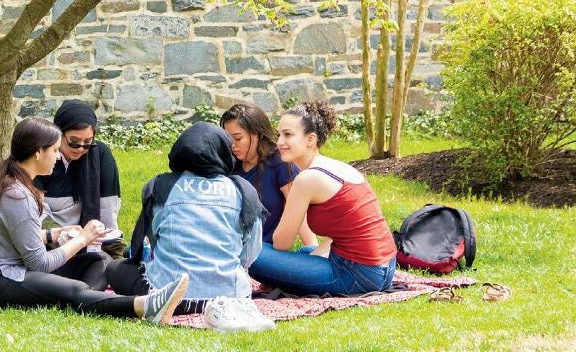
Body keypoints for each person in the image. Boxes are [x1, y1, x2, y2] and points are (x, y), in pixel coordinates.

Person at [0, 117, 189, 324]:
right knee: (73, 288)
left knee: (97, 260)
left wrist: (55, 234)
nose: (58, 156)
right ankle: (144, 305)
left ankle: (85, 300)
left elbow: (11, 234)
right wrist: (82, 238)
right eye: (54, 150)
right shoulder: (16, 194)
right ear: (37, 153)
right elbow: (39, 263)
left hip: (16, 270)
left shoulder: (11, 182)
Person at [106, 122, 266, 318]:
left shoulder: (160, 186)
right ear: (224, 152)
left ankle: (158, 303)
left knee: (114, 268)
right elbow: (252, 249)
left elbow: (154, 241)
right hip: (232, 300)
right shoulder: (242, 190)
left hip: (173, 297)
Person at [248, 101, 397, 296]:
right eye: (279, 134)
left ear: (311, 139)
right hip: (384, 268)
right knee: (304, 253)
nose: (280, 142)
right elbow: (345, 232)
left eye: (288, 135)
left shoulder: (307, 179)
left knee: (247, 250)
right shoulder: (339, 167)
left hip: (357, 275)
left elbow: (281, 243)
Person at [33, 100, 125, 258]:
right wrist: (70, 240)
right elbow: (37, 213)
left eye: (88, 142)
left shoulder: (100, 155)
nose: (81, 148)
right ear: (58, 134)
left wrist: (107, 243)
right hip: (50, 243)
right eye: (74, 142)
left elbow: (107, 209)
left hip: (91, 238)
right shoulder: (42, 158)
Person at [220, 103, 317, 247]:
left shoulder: (279, 162)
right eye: (228, 139)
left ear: (257, 135)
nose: (232, 145)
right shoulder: (227, 165)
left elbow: (298, 211)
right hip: (230, 249)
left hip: (264, 250)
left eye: (238, 138)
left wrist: (312, 249)